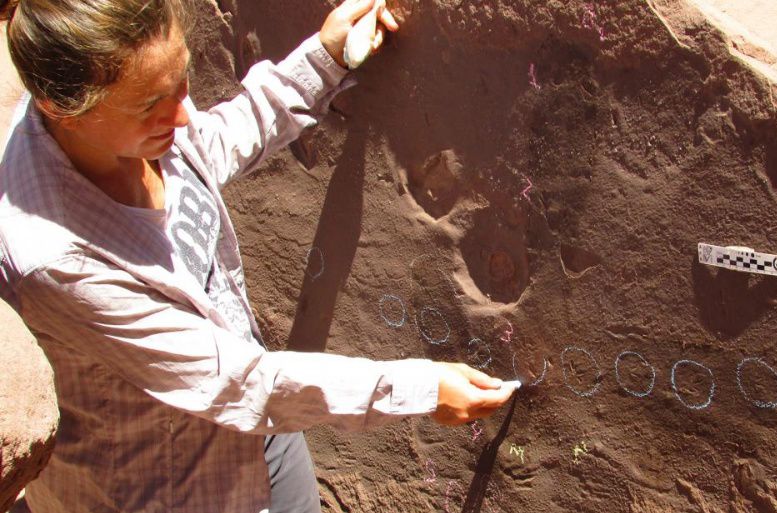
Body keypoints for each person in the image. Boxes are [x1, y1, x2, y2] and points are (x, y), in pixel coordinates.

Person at [0, 0, 517, 512]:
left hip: (261, 428)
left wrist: (323, 60)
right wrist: (420, 389)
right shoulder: (57, 260)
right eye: (151, 104)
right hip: (167, 486)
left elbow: (209, 144)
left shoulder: (122, 119)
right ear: (61, 108)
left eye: (181, 79)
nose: (182, 113)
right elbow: (237, 384)